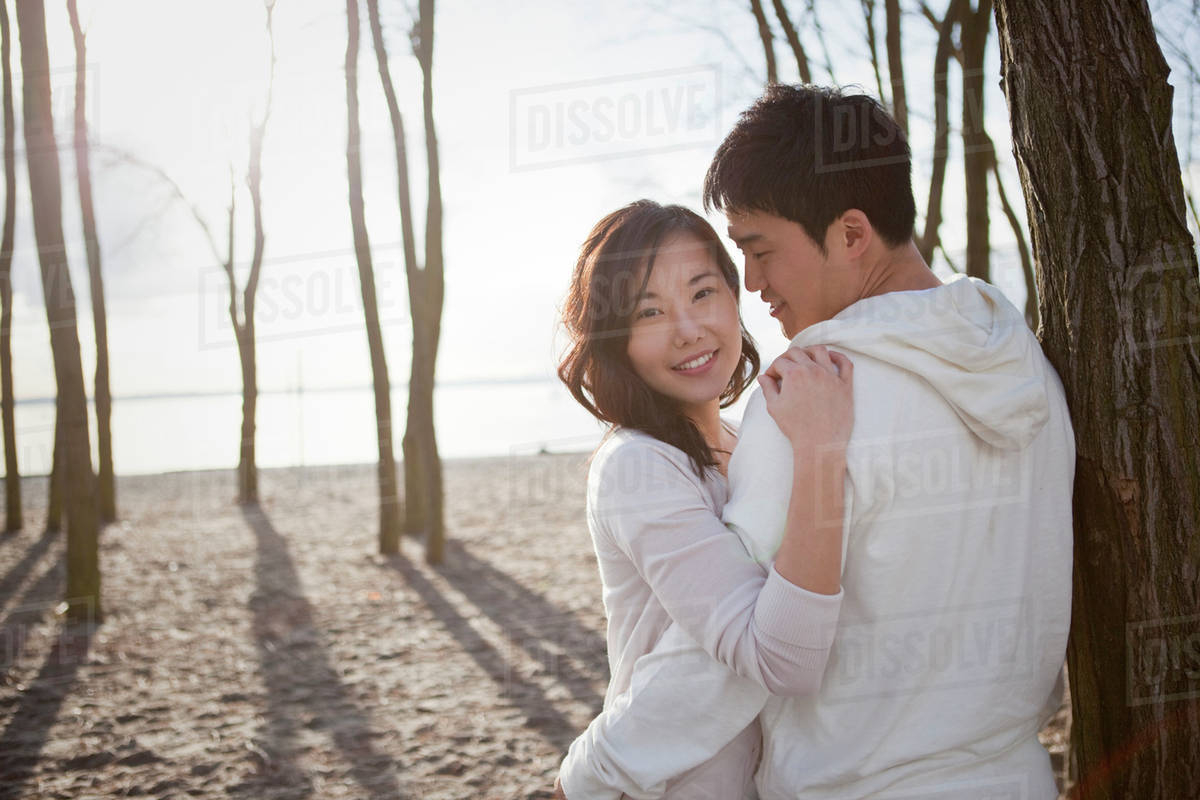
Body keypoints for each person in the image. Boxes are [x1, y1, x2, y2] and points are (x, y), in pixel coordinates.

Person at [557, 85, 1074, 800]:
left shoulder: (810, 396)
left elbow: (728, 663)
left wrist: (593, 771)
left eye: (760, 251)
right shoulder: (1027, 371)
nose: (754, 283)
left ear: (852, 234)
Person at [555, 199, 857, 798]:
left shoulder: (750, 443)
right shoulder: (638, 465)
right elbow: (778, 658)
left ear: (734, 297)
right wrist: (821, 447)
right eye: (649, 311)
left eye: (702, 293)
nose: (688, 329)